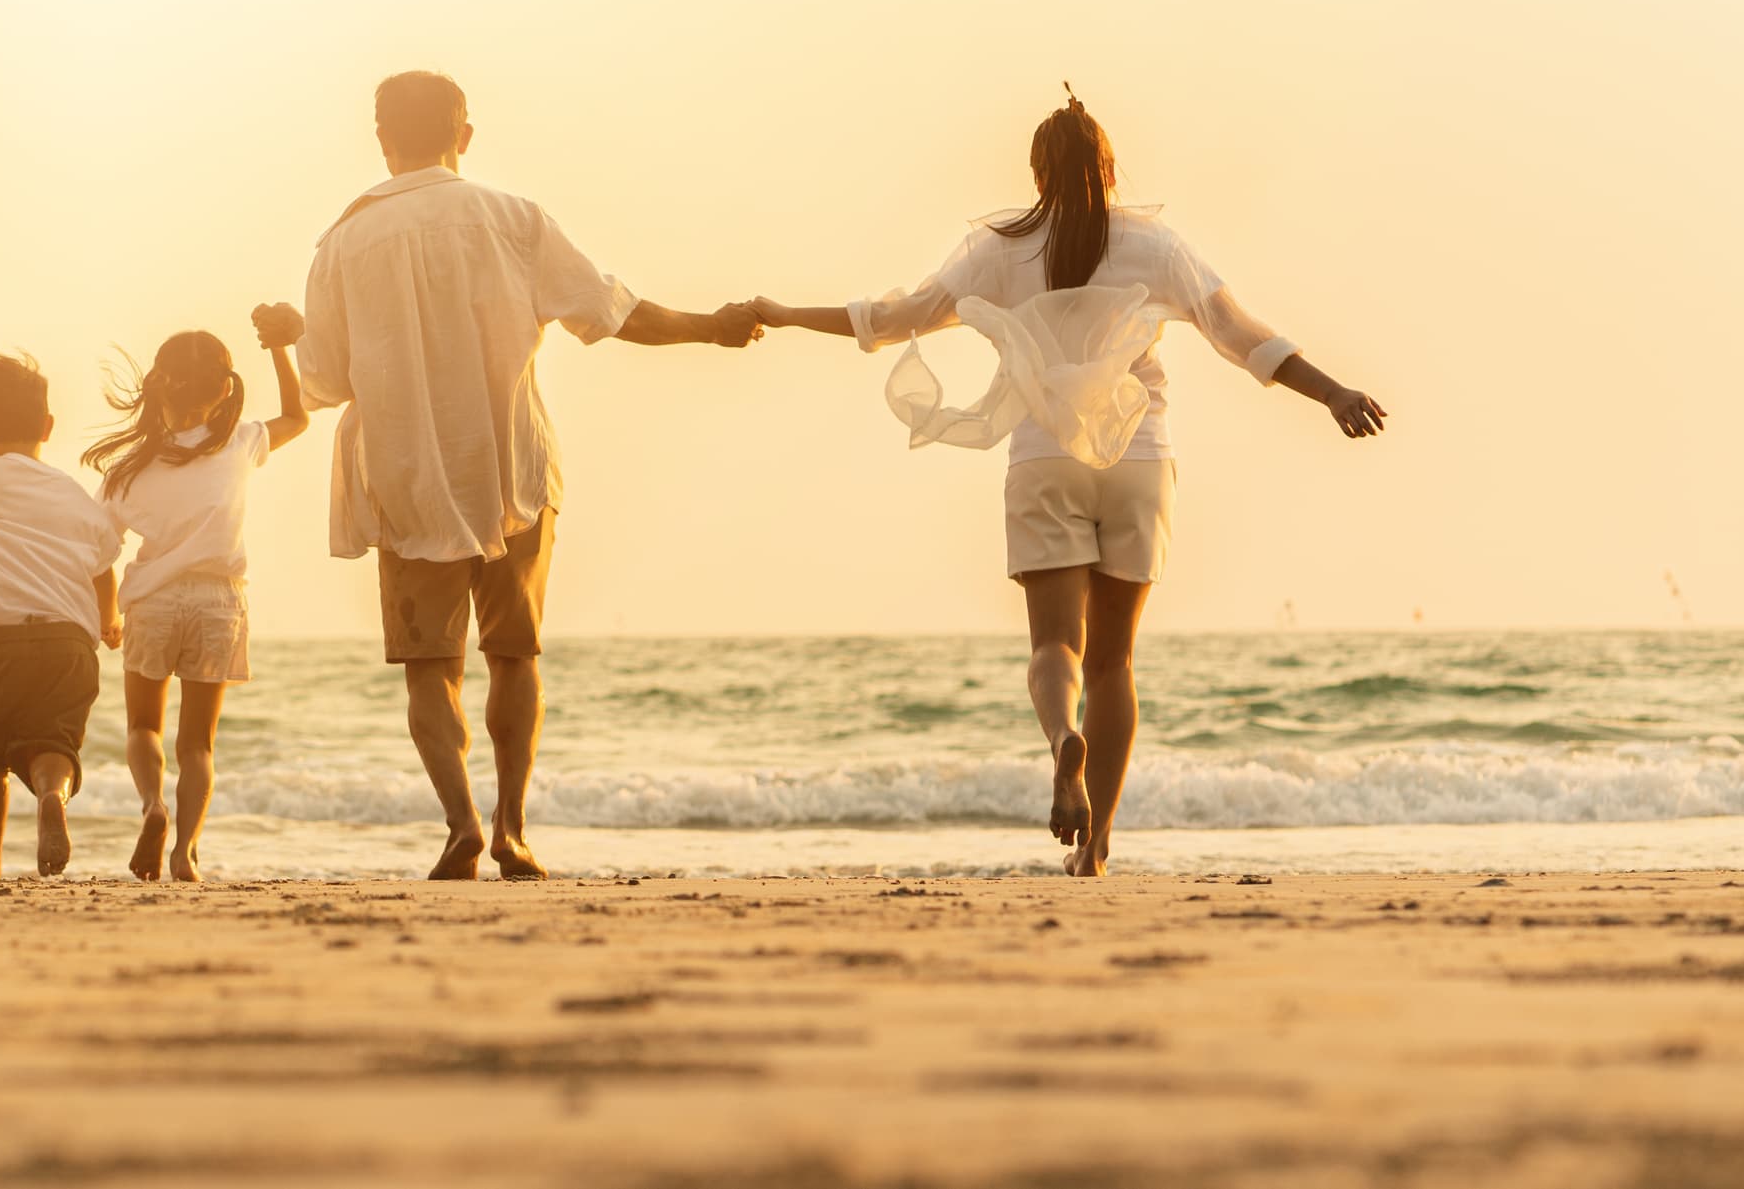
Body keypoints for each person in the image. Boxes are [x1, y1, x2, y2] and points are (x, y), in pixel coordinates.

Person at [748, 91, 1388, 876]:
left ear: (1038, 171)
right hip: (1139, 457)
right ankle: (1098, 848)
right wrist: (1333, 393)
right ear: (1109, 167)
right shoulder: (1155, 245)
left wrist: (780, 311)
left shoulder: (996, 249)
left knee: (1056, 645)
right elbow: (1240, 335)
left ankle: (1062, 741)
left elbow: (895, 316)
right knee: (1115, 662)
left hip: (1043, 458)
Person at [260, 70, 762, 881]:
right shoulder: (513, 219)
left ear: (383, 138)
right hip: (510, 472)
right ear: (465, 132)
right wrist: (710, 329)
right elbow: (612, 312)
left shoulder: (343, 241)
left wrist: (290, 337)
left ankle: (459, 822)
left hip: (405, 476)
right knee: (514, 656)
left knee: (430, 668)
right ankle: (512, 827)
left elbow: (325, 383)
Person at [79, 317, 310, 881]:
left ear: (158, 386)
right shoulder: (240, 442)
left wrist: (107, 614)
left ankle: (153, 804)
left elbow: (97, 552)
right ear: (225, 389)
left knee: (142, 728)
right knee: (198, 744)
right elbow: (299, 417)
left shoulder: (126, 469)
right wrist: (281, 349)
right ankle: (185, 851)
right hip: (219, 603)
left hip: (153, 603)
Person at [0, 355, 124, 882]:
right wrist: (110, 620)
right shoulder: (71, 493)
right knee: (53, 742)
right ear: (47, 426)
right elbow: (104, 567)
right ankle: (50, 794)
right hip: (68, 642)